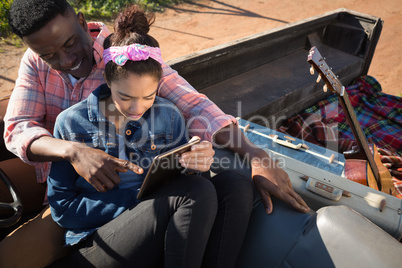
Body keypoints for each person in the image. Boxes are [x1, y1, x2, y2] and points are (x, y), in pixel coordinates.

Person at [0, 0, 308, 267]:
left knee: (232, 183)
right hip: (84, 204)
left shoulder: (125, 55)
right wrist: (73, 151)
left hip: (143, 195)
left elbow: (194, 106)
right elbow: (17, 128)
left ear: (81, 22)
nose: (65, 61)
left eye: (69, 44)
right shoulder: (57, 99)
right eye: (50, 56)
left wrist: (252, 153)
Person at [46, 7, 241, 266]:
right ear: (107, 79)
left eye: (148, 97)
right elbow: (62, 210)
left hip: (158, 224)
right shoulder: (71, 123)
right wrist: (140, 200)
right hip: (95, 243)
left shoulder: (169, 116)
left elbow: (191, 184)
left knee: (235, 185)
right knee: (193, 193)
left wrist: (197, 167)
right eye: (125, 97)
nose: (137, 108)